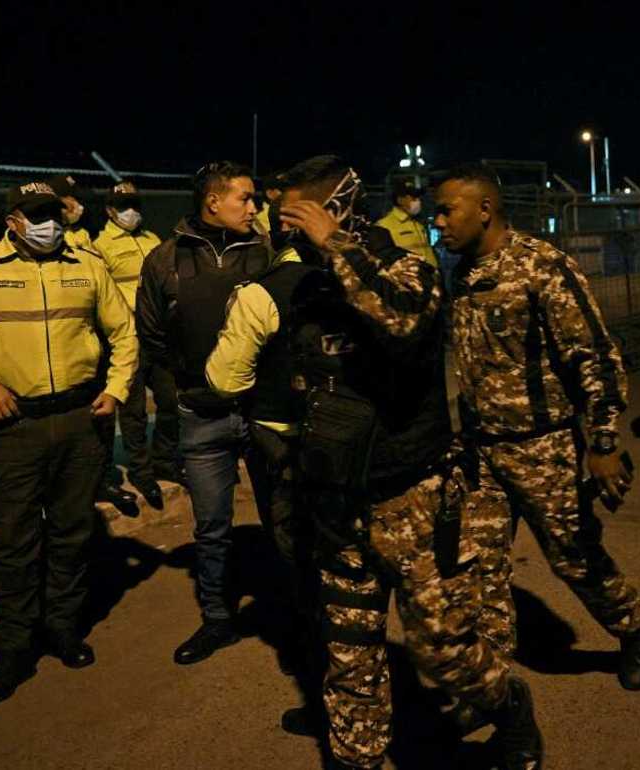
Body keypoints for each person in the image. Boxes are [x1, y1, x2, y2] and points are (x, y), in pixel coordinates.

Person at [206, 154, 543, 770]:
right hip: (335, 501)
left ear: (337, 211)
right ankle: (356, 754)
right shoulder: (306, 286)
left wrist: (336, 245)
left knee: (443, 650)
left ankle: (509, 705)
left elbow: (407, 322)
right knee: (351, 651)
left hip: (408, 497)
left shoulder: (406, 265)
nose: (285, 234)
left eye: (298, 220)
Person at [434, 162, 640, 692]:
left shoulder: (542, 267)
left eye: (447, 209)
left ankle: (635, 624)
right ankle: (494, 689)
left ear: (484, 209)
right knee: (478, 571)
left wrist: (602, 443)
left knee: (574, 560)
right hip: (480, 452)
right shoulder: (462, 272)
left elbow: (595, 357)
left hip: (543, 448)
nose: (437, 220)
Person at [0, 180, 138, 704]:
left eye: (55, 214)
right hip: (12, 426)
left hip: (80, 420)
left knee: (72, 531)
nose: (50, 224)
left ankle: (63, 627)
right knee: (14, 543)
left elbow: (124, 332)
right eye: (37, 214)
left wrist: (117, 387)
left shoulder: (87, 265)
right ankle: (15, 646)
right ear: (13, 220)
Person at [135, 162, 270, 665]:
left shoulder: (265, 253)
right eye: (246, 199)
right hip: (201, 417)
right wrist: (176, 399)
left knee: (282, 514)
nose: (254, 208)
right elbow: (151, 339)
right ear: (213, 202)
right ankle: (217, 618)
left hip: (260, 416)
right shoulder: (164, 259)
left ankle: (291, 610)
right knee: (211, 527)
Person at [92, 180, 175, 507]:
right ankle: (142, 471)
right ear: (110, 210)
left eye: (135, 205)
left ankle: (165, 460)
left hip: (159, 335)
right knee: (134, 410)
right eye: (124, 206)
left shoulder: (152, 239)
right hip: (128, 339)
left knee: (171, 401)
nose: (132, 212)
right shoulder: (101, 246)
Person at [375, 176, 437, 266]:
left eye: (418, 198)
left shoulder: (418, 223)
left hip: (430, 277)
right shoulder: (383, 226)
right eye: (413, 198)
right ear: (400, 200)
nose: (418, 201)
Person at [47, 173, 98, 253]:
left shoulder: (82, 231)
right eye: (72, 198)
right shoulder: (46, 234)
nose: (77, 204)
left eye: (77, 199)